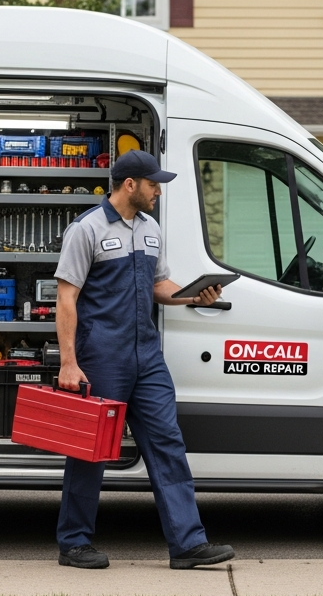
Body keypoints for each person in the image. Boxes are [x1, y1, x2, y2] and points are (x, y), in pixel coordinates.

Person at [51, 149, 235, 570]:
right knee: (90, 452)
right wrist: (68, 362)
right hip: (102, 357)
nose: (158, 191)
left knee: (168, 444)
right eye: (154, 184)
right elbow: (66, 297)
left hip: (146, 357)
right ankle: (74, 543)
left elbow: (158, 285)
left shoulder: (151, 228)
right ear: (130, 184)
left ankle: (188, 545)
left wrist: (194, 294)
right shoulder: (86, 230)